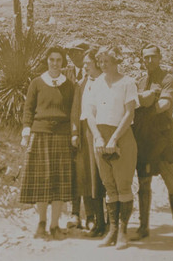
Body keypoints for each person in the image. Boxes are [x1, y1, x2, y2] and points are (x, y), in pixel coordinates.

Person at [131, 44, 173, 244]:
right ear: (142, 59)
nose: (149, 61)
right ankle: (143, 227)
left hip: (163, 139)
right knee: (144, 184)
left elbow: (165, 104)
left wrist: (147, 104)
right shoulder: (139, 81)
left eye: (153, 57)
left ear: (160, 57)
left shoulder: (168, 79)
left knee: (172, 183)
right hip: (144, 139)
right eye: (146, 57)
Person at [20, 46, 76, 240]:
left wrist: (74, 134)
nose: (54, 63)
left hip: (62, 136)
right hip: (40, 134)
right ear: (47, 61)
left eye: (58, 60)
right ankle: (42, 223)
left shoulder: (69, 85)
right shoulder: (36, 83)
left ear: (63, 63)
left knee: (59, 183)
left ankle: (54, 225)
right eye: (51, 59)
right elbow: (28, 109)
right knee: (41, 183)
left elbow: (73, 112)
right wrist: (26, 132)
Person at [87, 46, 138, 250]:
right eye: (100, 61)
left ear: (116, 61)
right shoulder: (96, 84)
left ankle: (123, 232)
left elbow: (129, 113)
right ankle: (113, 230)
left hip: (122, 136)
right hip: (100, 137)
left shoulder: (127, 82)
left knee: (123, 185)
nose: (102, 64)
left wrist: (115, 138)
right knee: (109, 185)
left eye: (106, 60)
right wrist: (98, 137)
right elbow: (90, 113)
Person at [69, 48, 106, 236]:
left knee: (102, 176)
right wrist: (75, 132)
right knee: (87, 176)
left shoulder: (107, 81)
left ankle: (105, 221)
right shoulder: (82, 84)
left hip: (102, 132)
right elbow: (76, 109)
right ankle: (91, 217)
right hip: (85, 134)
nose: (84, 67)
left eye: (87, 64)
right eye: (83, 64)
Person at [63, 40, 91, 228]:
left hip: (89, 127)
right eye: (70, 53)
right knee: (73, 172)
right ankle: (75, 214)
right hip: (70, 128)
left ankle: (91, 215)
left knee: (89, 171)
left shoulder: (94, 74)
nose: (72, 57)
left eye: (76, 53)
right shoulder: (67, 73)